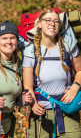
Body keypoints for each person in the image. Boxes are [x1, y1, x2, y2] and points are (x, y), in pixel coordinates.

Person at [22, 9, 81, 137]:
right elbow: (28, 87)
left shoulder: (68, 45)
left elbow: (80, 70)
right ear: (39, 24)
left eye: (55, 21)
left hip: (68, 109)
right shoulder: (30, 51)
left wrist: (75, 86)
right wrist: (33, 105)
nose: (52, 24)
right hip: (41, 111)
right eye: (47, 20)